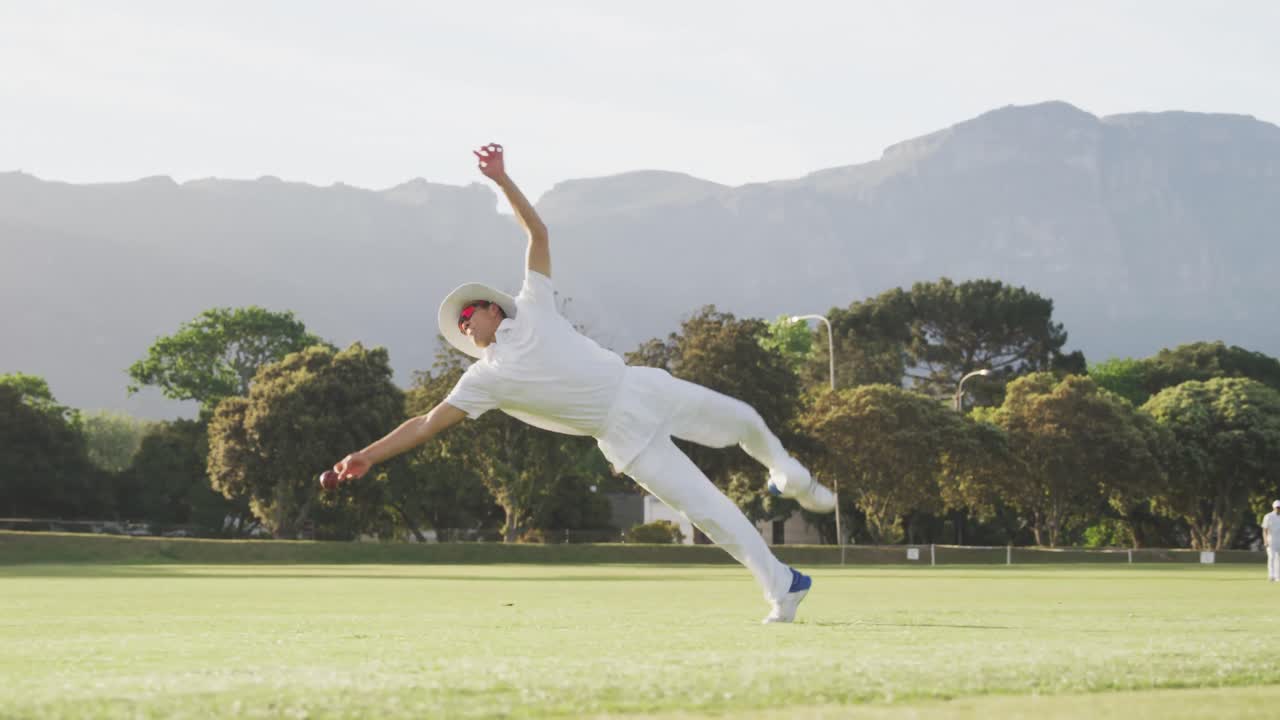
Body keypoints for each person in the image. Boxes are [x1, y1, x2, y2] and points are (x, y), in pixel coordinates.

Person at [331, 143, 836, 623]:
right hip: (620, 438)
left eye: (467, 313)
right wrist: (367, 456)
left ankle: (787, 473)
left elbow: (539, 235)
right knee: (711, 512)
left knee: (743, 419)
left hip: (639, 389)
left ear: (491, 307)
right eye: (458, 326)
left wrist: (502, 179)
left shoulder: (532, 304)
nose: (464, 325)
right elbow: (424, 423)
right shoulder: (483, 380)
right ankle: (783, 587)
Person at [1263, 500, 1280, 582]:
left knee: (1278, 559)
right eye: (1277, 507)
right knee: (1271, 557)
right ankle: (1271, 576)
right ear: (1274, 507)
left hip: (1279, 540)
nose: (1278, 509)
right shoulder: (1268, 516)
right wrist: (1265, 540)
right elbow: (1265, 530)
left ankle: (1278, 576)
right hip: (1271, 540)